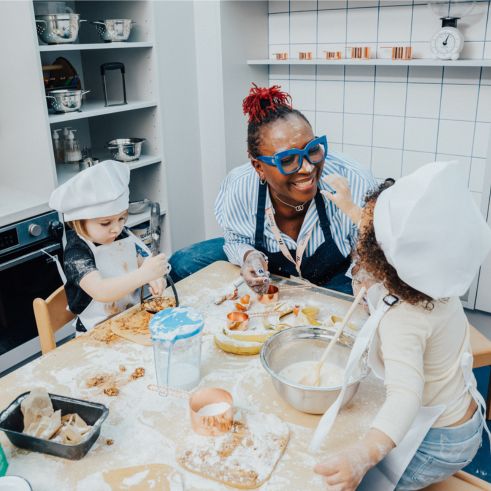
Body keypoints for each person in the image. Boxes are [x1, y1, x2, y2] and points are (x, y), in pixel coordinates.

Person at [312, 161, 491, 491]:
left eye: (371, 224)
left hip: (439, 444)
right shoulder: (434, 279)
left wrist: (361, 457)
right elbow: (393, 239)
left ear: (381, 258)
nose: (365, 224)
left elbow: (405, 398)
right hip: (460, 415)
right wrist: (349, 207)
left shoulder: (403, 318)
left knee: (357, 484)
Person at [170, 84, 377, 294]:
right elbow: (236, 239)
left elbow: (368, 250)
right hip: (272, 272)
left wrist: (364, 277)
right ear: (258, 167)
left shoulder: (352, 178)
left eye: (312, 149)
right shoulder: (239, 185)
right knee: (181, 263)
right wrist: (249, 256)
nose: (308, 167)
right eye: (287, 160)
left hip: (334, 275)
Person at [49, 160, 169, 333]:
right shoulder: (76, 253)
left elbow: (142, 262)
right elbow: (101, 291)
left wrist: (155, 277)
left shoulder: (122, 235)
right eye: (105, 223)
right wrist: (143, 275)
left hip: (130, 318)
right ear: (78, 223)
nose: (117, 228)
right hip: (96, 332)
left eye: (122, 218)